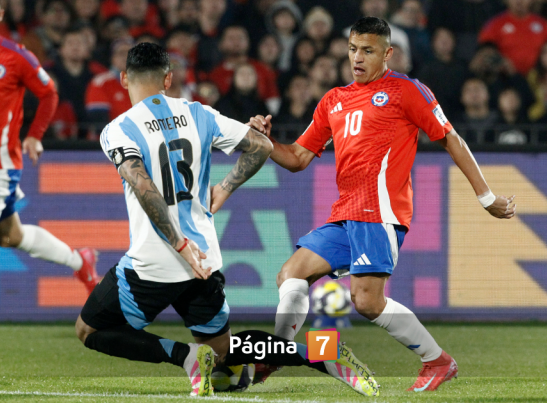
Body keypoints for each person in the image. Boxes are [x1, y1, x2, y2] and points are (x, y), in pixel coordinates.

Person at [74, 42, 380, 397]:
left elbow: (143, 187)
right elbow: (262, 146)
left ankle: (187, 358)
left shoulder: (119, 129)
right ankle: (323, 354)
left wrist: (178, 243)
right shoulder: (199, 113)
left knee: (89, 330)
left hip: (154, 264)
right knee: (225, 354)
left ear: (125, 79)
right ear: (168, 78)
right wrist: (224, 187)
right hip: (204, 260)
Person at [247, 17, 516, 392]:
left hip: (380, 213)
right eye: (353, 49)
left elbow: (450, 137)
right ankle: (275, 355)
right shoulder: (333, 101)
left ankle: (437, 361)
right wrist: (261, 140)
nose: (358, 58)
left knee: (367, 302)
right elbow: (295, 157)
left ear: (387, 53)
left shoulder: (406, 90)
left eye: (368, 50)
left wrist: (486, 197)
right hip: (345, 214)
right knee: (291, 274)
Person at [0, 0, 99, 293]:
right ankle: (80, 262)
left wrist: (35, 134)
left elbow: (49, 94)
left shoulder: (15, 56)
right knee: (10, 236)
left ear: (0, 13)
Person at [209, 26, 281, 115]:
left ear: (248, 42)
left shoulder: (263, 70)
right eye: (231, 38)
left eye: (240, 38)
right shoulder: (214, 74)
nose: (236, 42)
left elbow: (273, 104)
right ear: (221, 43)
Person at [478, 0, 547, 76]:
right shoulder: (494, 24)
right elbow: (485, 51)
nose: (519, 1)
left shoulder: (543, 25)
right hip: (505, 79)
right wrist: (500, 61)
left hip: (538, 79)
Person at [86, 38, 135, 135]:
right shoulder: (100, 83)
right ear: (113, 58)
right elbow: (99, 123)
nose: (126, 57)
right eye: (121, 53)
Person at [417, 28, 468, 114]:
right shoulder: (425, 68)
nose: (444, 41)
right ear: (433, 42)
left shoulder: (463, 66)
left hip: (462, 114)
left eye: (448, 38)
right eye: (440, 38)